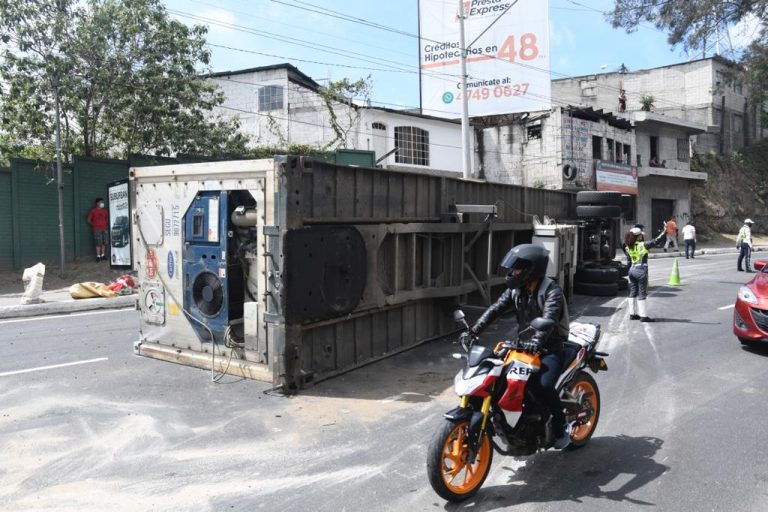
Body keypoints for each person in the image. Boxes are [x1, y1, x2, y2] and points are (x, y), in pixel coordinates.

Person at [463, 244, 572, 449]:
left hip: (551, 347)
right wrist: (474, 330)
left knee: (543, 386)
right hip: (524, 346)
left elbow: (549, 318)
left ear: (532, 270)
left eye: (516, 270)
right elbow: (496, 309)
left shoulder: (552, 291)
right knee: (498, 378)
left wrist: (537, 342)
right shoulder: (516, 290)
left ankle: (560, 425)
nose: (512, 274)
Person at [623, 227, 666, 322]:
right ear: (638, 237)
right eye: (641, 235)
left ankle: (632, 314)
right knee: (642, 293)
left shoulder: (627, 246)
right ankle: (643, 316)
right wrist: (664, 231)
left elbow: (629, 261)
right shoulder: (643, 245)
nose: (643, 236)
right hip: (641, 271)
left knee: (633, 291)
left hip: (632, 270)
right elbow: (656, 241)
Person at [86, 198, 109, 262]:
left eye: (102, 202)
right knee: (98, 243)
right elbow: (88, 220)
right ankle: (98, 256)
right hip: (97, 229)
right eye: (101, 202)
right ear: (97, 203)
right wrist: (94, 225)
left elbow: (107, 219)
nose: (102, 203)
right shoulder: (93, 211)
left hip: (104, 229)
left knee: (104, 243)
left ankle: (103, 255)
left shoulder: (105, 211)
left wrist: (106, 225)